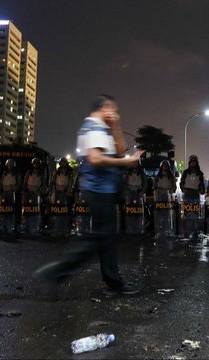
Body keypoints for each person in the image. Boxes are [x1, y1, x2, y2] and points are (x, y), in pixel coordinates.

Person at [34, 94, 144, 295]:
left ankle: (114, 282)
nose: (115, 114)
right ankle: (59, 270)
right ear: (104, 108)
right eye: (113, 110)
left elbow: (120, 149)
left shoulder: (103, 129)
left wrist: (116, 126)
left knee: (107, 237)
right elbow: (96, 159)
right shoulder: (93, 127)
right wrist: (126, 163)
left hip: (105, 189)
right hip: (98, 189)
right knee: (100, 235)